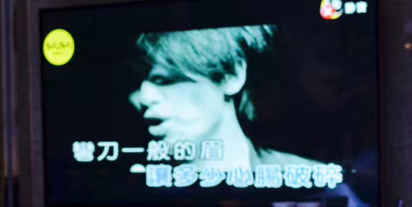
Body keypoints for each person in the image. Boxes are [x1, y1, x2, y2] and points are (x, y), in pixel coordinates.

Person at [129, 25, 321, 174]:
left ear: (231, 75)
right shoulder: (134, 189)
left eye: (166, 79)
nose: (144, 97)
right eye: (134, 85)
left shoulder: (311, 179)